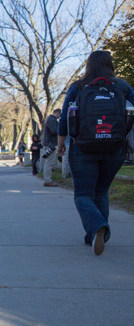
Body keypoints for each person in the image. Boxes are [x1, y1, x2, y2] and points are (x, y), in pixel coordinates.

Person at [58, 50, 134, 256]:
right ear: (110, 65)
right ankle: (94, 234)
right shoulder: (123, 87)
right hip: (115, 147)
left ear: (88, 66)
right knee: (101, 191)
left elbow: (65, 117)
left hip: (83, 147)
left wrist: (60, 144)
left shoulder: (78, 87)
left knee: (83, 194)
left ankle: (98, 226)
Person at [41, 109, 61, 187]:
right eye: (59, 115)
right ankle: (48, 180)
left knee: (48, 162)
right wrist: (60, 129)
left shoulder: (48, 119)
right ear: (57, 113)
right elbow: (54, 131)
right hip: (51, 144)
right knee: (49, 162)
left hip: (47, 143)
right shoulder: (52, 120)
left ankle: (47, 179)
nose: (59, 117)